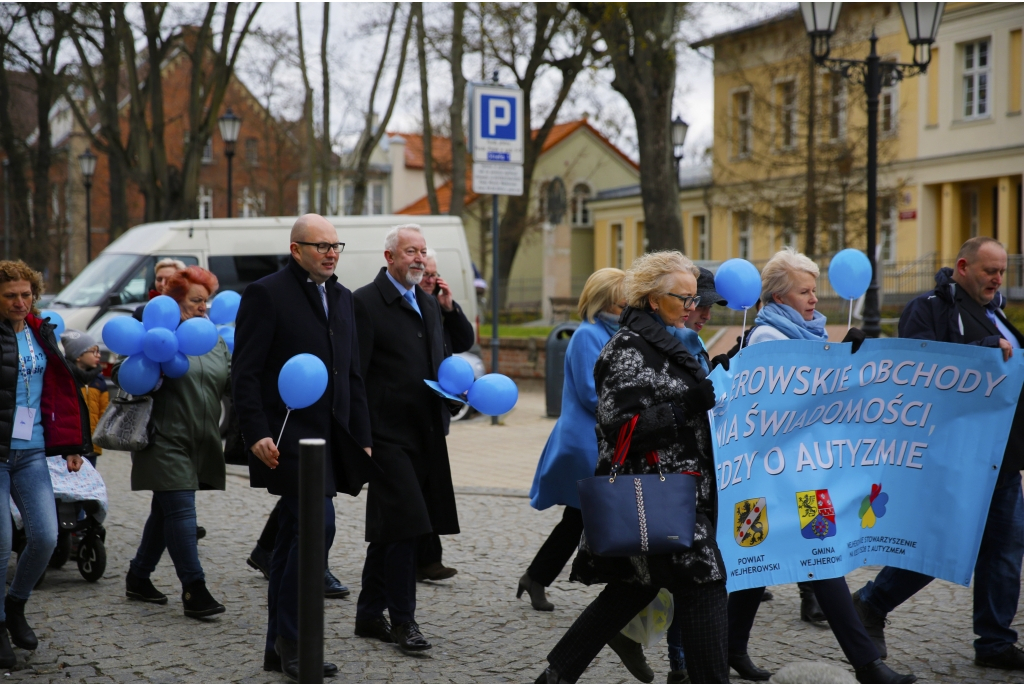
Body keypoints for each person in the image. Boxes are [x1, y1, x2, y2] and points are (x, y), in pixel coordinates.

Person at [538, 251, 729, 684]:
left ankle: (556, 675)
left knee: (632, 588)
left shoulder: (668, 341)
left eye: (693, 296)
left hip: (681, 491)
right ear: (650, 299)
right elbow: (619, 425)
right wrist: (685, 407)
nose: (692, 305)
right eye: (682, 297)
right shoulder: (627, 347)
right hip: (656, 492)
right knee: (706, 584)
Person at [727, 247, 912, 684]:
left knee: (766, 565)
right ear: (776, 297)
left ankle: (730, 648)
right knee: (816, 561)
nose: (814, 299)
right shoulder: (768, 339)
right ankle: (867, 665)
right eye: (804, 291)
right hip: (769, 477)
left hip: (805, 475)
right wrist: (842, 370)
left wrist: (845, 364)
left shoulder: (807, 334)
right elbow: (788, 406)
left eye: (815, 290)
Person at [852, 236, 1024, 671]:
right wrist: (984, 354)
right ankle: (871, 602)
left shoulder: (996, 313)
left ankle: (995, 641)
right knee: (943, 541)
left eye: (1002, 271)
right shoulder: (928, 308)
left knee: (1004, 549)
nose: (998, 278)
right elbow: (919, 370)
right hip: (957, 456)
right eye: (990, 270)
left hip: (1002, 456)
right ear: (963, 266)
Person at [233, 214, 372, 681]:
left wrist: (363, 438)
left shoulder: (343, 297)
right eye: (321, 246)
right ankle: (293, 641)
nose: (331, 253)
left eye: (337, 246)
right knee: (318, 529)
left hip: (331, 441)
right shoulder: (267, 293)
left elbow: (352, 374)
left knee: (297, 540)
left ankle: (280, 645)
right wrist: (255, 433)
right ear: (296, 249)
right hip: (286, 438)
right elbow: (246, 372)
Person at [352, 223, 460, 655]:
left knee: (391, 528)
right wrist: (360, 437)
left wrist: (454, 396)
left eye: (422, 252)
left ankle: (366, 614)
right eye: (409, 251)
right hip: (384, 437)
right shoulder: (363, 303)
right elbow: (354, 375)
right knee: (409, 525)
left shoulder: (430, 304)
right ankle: (404, 622)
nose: (418, 259)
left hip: (426, 434)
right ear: (389, 257)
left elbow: (440, 362)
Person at [122, 266, 230, 621]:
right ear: (177, 301)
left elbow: (229, 382)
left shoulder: (213, 339)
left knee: (164, 510)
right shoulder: (159, 336)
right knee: (182, 510)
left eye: (207, 301)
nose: (203, 307)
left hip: (201, 440)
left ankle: (138, 576)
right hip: (163, 439)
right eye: (196, 300)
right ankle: (194, 590)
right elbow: (130, 376)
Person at [521, 268, 626, 611]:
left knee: (580, 517)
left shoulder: (616, 333)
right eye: (624, 295)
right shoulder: (588, 335)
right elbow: (588, 392)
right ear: (608, 299)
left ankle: (536, 577)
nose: (630, 301)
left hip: (600, 438)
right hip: (586, 441)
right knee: (588, 516)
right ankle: (620, 592)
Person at [0, 260, 88, 668]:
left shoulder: (40, 332)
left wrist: (72, 444)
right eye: (10, 296)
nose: (20, 302)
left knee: (48, 537)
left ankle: (15, 604)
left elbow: (60, 391)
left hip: (32, 450)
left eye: (25, 294)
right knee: (1, 543)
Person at [414, 247, 474, 582]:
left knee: (429, 486)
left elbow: (465, 340)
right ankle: (425, 558)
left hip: (437, 409)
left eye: (434, 274)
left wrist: (450, 309)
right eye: (425, 274)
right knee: (419, 488)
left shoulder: (439, 305)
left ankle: (426, 558)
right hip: (412, 412)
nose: (430, 279)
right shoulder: (408, 306)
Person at [61, 330, 108, 468]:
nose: (98, 355)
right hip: (70, 444)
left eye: (98, 351)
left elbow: (103, 411)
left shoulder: (99, 380)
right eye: (93, 351)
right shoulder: (65, 379)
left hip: (92, 445)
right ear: (78, 356)